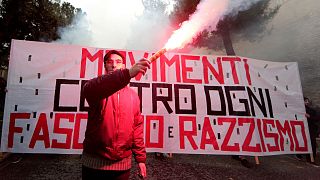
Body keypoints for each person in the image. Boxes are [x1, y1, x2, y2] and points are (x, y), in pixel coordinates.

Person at [81, 50, 150, 180]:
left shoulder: (133, 95)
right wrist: (128, 74)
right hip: (93, 163)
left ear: (123, 66)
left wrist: (141, 160)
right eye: (110, 62)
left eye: (118, 62)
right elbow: (92, 88)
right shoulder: (95, 87)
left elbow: (137, 128)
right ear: (105, 66)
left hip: (122, 166)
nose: (114, 65)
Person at [296, 97, 319, 166]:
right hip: (302, 129)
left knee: (312, 144)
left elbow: (317, 118)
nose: (307, 102)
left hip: (310, 130)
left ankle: (311, 159)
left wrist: (309, 117)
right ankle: (301, 156)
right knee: (302, 142)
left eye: (307, 101)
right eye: (305, 101)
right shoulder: (299, 109)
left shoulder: (310, 110)